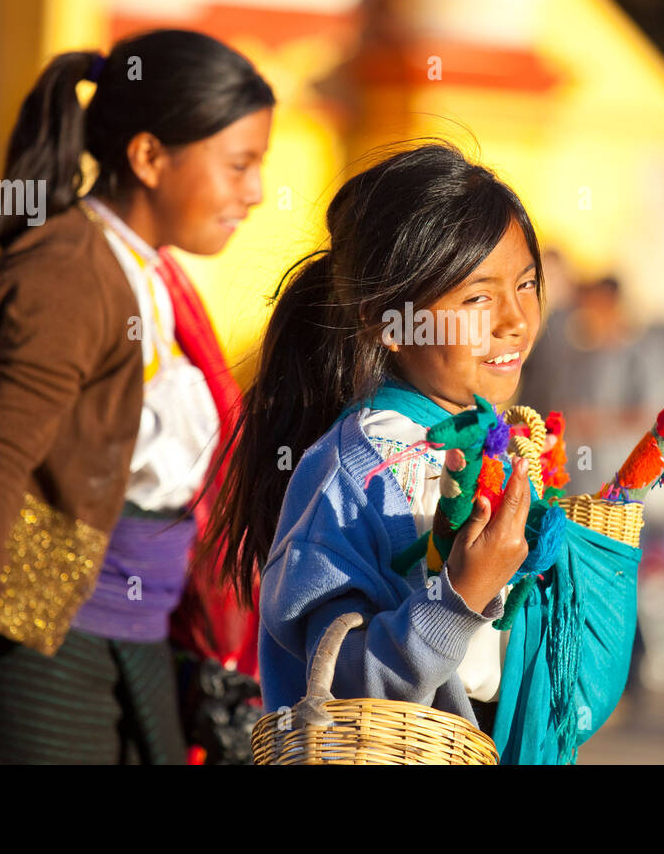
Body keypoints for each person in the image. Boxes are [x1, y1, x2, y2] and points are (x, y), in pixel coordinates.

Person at [0, 29, 273, 764]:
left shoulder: (147, 278)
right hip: (46, 653)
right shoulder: (67, 272)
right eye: (239, 164)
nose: (254, 192)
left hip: (136, 647)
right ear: (149, 157)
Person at [203, 143, 640, 763]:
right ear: (388, 323)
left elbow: (537, 691)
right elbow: (338, 694)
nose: (516, 320)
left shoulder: (498, 450)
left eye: (527, 284)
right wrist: (459, 598)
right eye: (477, 298)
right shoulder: (356, 473)